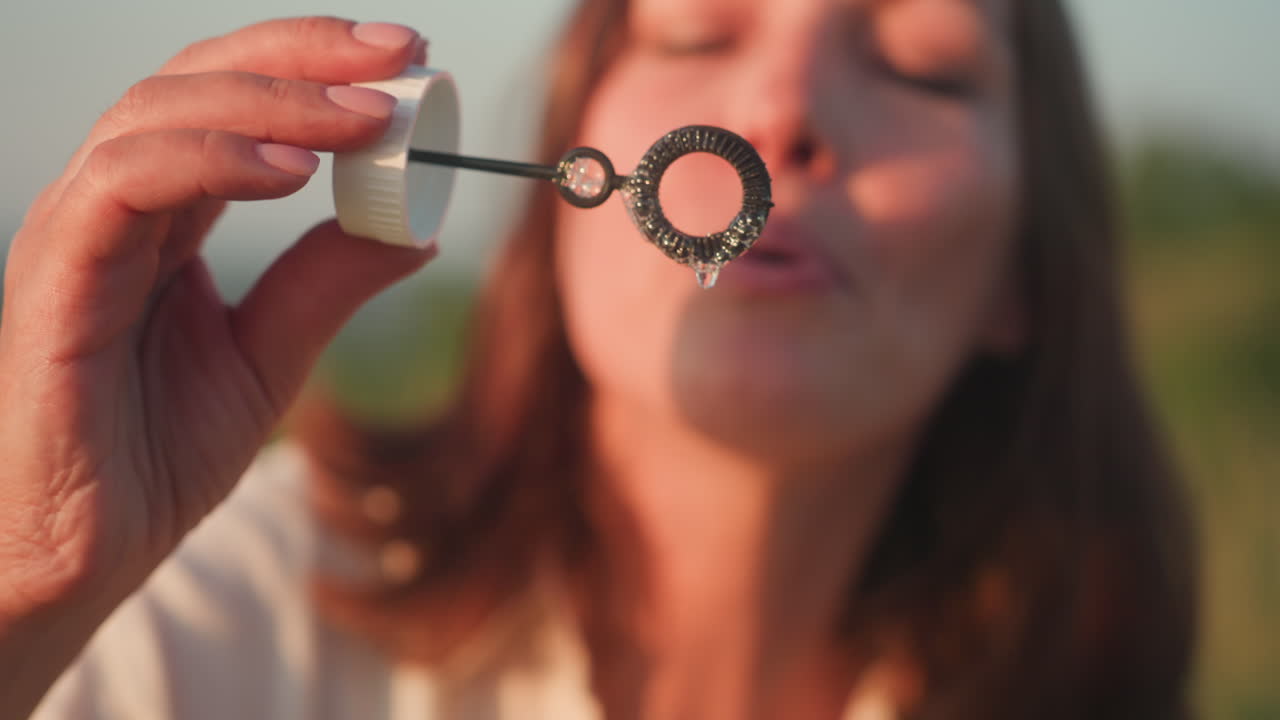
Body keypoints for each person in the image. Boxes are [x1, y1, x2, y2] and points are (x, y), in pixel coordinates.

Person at [0, 1, 1195, 718]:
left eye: (915, 62)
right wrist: (28, 585)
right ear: (566, 176)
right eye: (694, 29)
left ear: (1022, 274)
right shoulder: (207, 629)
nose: (776, 112)